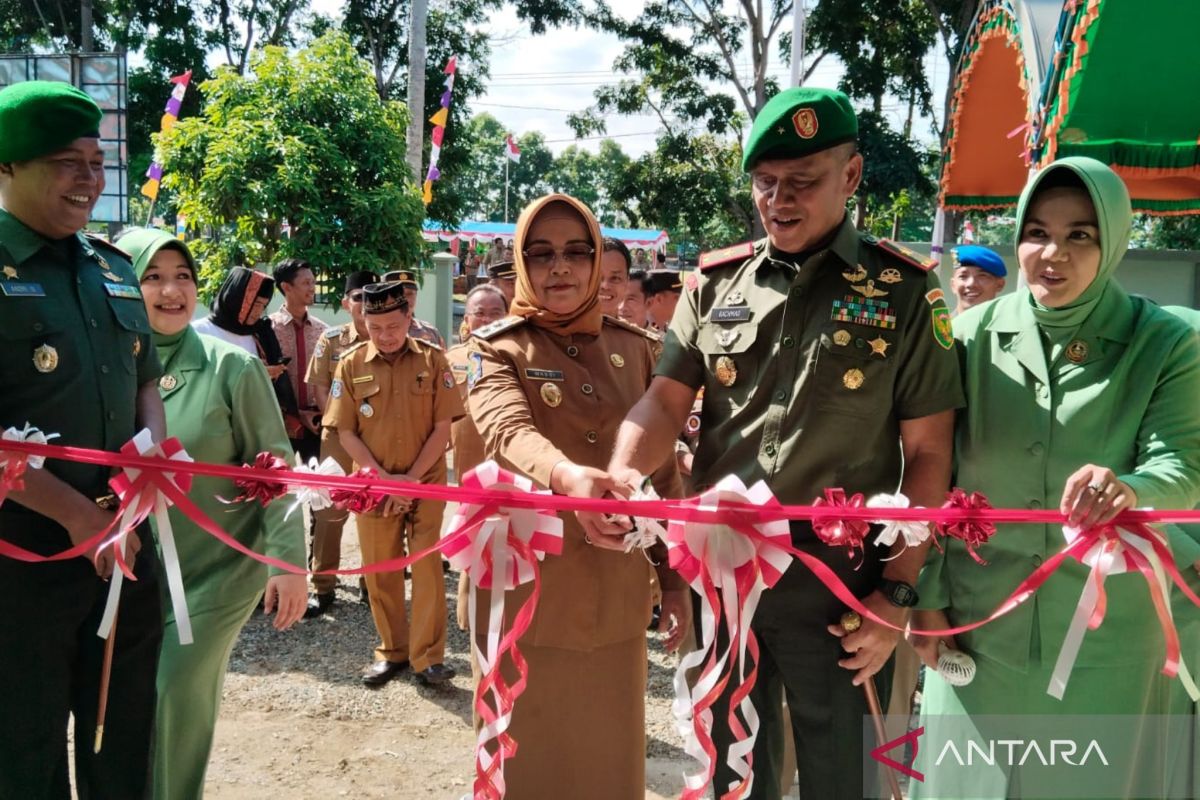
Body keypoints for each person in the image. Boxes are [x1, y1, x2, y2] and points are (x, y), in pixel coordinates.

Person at [586, 87, 963, 799]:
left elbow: (931, 454)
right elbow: (665, 401)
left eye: (802, 181)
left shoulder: (904, 292)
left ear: (851, 177)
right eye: (765, 183)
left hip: (845, 586)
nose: (778, 200)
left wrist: (898, 593)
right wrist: (620, 479)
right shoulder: (715, 283)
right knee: (732, 769)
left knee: (844, 777)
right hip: (728, 573)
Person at [909, 157, 1200, 798]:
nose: (1052, 254)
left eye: (1080, 236)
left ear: (1115, 241)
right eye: (1037, 232)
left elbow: (1181, 466)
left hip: (1115, 643)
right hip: (980, 636)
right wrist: (925, 597)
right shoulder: (965, 338)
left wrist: (1128, 490)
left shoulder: (1167, 342)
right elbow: (930, 477)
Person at [466, 193, 687, 798]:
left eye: (574, 252)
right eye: (540, 254)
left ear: (596, 262)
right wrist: (568, 476)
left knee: (607, 762)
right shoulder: (494, 348)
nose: (557, 267)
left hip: (615, 593)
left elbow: (664, 475)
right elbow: (507, 429)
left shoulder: (638, 349)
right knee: (524, 759)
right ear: (521, 263)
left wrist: (672, 582)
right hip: (524, 595)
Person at [0, 80, 166, 798]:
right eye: (68, 162)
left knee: (122, 736)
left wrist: (146, 473)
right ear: (7, 165)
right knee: (23, 746)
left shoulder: (114, 269)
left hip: (124, 549)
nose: (89, 180)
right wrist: (80, 517)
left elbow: (146, 388)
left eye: (97, 161)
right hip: (23, 560)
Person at [117, 226, 307, 799]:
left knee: (176, 686)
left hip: (218, 570)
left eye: (183, 277)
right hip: (131, 571)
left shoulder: (232, 367)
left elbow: (274, 467)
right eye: (152, 276)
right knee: (129, 698)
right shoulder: (108, 369)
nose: (171, 290)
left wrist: (288, 562)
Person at [326, 281, 464, 686]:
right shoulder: (350, 364)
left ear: (408, 318)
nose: (385, 336)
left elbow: (443, 428)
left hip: (427, 481)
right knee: (380, 566)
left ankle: (429, 658)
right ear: (363, 320)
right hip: (373, 484)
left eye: (393, 325)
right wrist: (384, 481)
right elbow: (346, 432)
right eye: (375, 326)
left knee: (426, 567)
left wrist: (411, 481)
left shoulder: (434, 360)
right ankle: (392, 651)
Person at [302, 269, 379, 617]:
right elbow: (318, 387)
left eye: (370, 296)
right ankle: (323, 586)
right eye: (358, 296)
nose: (364, 303)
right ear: (347, 302)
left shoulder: (388, 337)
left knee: (375, 511)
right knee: (330, 512)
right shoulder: (331, 340)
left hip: (378, 439)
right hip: (337, 437)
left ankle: (371, 584)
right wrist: (337, 422)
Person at [269, 258, 326, 462]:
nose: (312, 288)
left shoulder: (323, 331)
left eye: (313, 282)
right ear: (286, 287)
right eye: (306, 283)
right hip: (282, 427)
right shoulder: (268, 330)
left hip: (318, 426)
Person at [383, 268, 446, 349]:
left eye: (409, 294)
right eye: (399, 294)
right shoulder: (375, 332)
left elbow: (443, 360)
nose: (405, 300)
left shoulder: (430, 332)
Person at [949, 243, 1007, 314]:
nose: (971, 284)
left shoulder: (1010, 324)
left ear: (1000, 285)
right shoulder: (937, 325)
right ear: (953, 285)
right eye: (963, 276)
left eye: (982, 276)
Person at [599, 236, 632, 317]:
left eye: (615, 278)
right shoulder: (564, 328)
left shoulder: (629, 330)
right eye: (597, 277)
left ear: (627, 282)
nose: (605, 286)